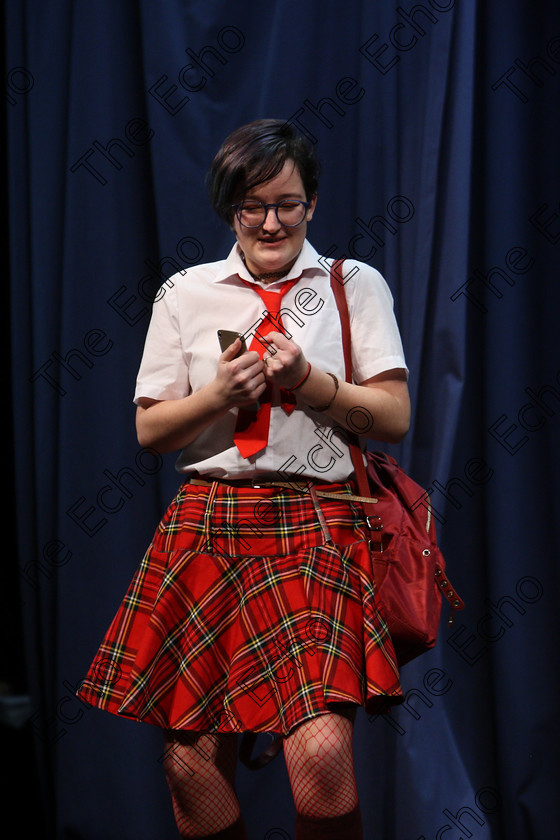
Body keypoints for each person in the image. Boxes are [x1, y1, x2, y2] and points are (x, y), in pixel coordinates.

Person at [77, 118, 411, 840]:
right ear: (232, 210)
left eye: (286, 204)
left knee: (321, 762)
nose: (269, 222)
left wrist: (312, 382)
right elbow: (149, 429)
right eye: (251, 206)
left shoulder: (353, 286)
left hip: (316, 526)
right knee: (188, 767)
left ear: (312, 203)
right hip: (208, 526)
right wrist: (219, 397)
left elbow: (392, 416)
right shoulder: (186, 293)